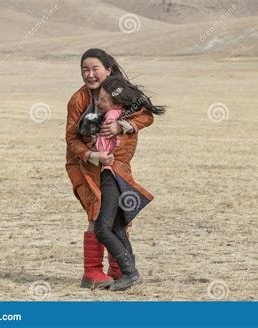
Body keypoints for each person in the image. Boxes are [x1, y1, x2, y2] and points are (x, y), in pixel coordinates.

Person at [65, 48, 154, 289]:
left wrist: (121, 126)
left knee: (120, 216)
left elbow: (146, 116)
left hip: (117, 165)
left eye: (95, 68)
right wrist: (93, 155)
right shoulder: (79, 100)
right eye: (85, 69)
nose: (90, 74)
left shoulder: (120, 92)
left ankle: (120, 271)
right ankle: (92, 273)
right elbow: (72, 140)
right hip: (86, 164)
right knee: (97, 213)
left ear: (108, 70)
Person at [94, 76, 166, 291]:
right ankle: (130, 273)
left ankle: (130, 273)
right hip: (117, 173)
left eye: (103, 99)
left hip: (112, 174)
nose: (99, 102)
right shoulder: (120, 116)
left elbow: (106, 146)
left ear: (116, 102)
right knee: (116, 227)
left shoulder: (113, 117)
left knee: (103, 229)